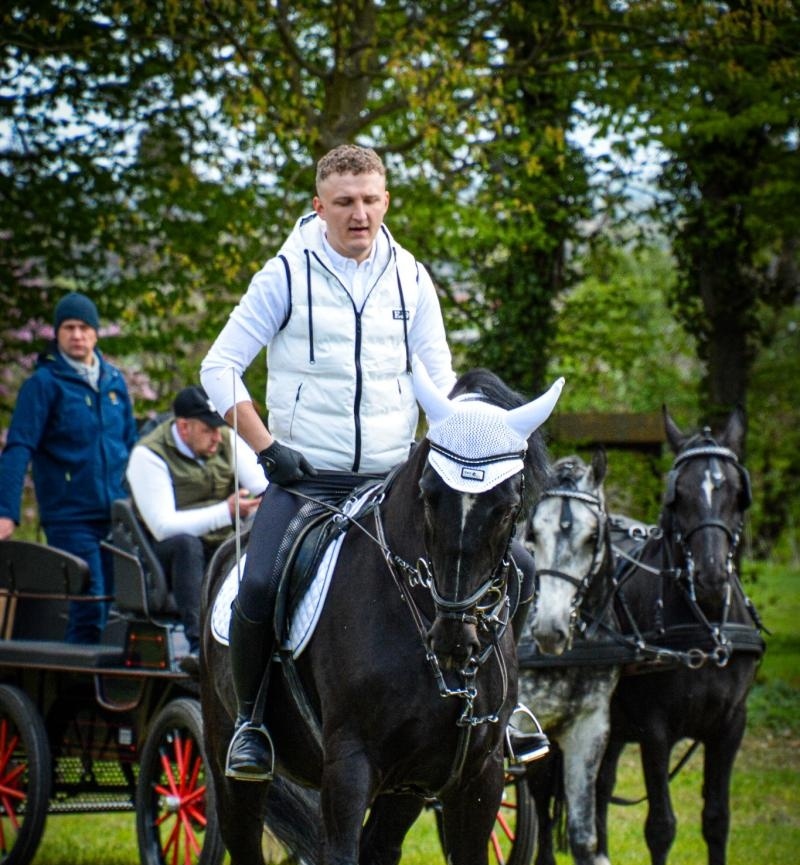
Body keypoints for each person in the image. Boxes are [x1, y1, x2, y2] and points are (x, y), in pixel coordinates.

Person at [201, 143, 543, 780]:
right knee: (256, 587)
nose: (359, 214)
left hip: (396, 481)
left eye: (369, 200)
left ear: (386, 201)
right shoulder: (284, 275)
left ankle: (506, 711)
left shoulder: (412, 277)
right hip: (306, 481)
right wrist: (268, 450)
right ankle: (251, 725)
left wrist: (477, 434)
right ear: (319, 206)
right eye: (344, 203)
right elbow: (219, 369)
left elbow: (440, 384)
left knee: (517, 567)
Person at [0, 292, 137, 643]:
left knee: (118, 606)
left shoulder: (114, 383)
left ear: (95, 333)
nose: (77, 335)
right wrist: (6, 512)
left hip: (116, 514)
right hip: (70, 516)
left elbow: (132, 448)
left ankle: (100, 690)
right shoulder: (44, 385)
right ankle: (74, 692)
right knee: (88, 604)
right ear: (57, 334)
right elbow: (18, 448)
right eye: (69, 328)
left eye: (84, 328)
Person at [126, 385, 265, 666]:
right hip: (166, 554)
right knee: (185, 544)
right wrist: (227, 512)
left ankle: (260, 636)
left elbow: (263, 486)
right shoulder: (148, 455)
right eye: (208, 429)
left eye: (219, 427)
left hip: (223, 541)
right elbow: (163, 526)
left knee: (263, 527)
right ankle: (199, 645)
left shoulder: (225, 438)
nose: (217, 436)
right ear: (184, 427)